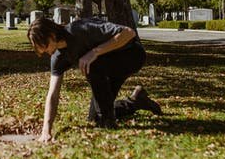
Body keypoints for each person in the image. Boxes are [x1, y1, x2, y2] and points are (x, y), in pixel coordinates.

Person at [27, 16, 162, 142]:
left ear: (51, 35)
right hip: (106, 69)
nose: (43, 51)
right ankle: (136, 101)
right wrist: (46, 130)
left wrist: (94, 52)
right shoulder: (57, 58)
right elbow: (53, 94)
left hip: (131, 55)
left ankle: (108, 121)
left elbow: (129, 33)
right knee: (95, 118)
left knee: (90, 63)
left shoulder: (80, 29)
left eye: (43, 45)